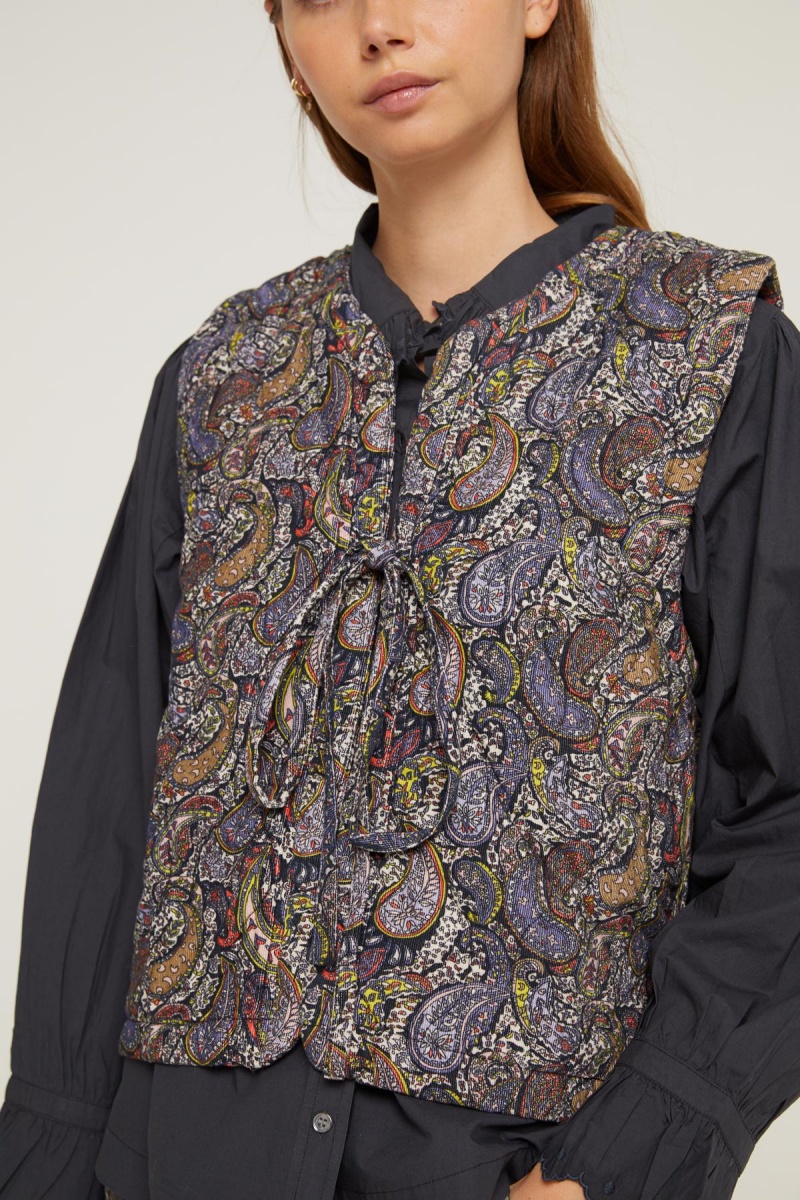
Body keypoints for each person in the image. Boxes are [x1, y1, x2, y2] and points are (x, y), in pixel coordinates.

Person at [1, 1, 799, 1199]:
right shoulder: (221, 380)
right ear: (287, 50)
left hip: (513, 1166)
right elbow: (106, 802)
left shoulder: (708, 353)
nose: (378, 24)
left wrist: (644, 1144)